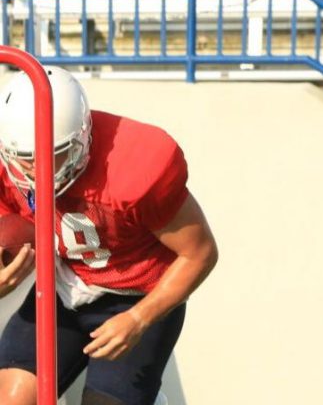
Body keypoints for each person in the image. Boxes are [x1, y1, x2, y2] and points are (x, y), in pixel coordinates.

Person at [0, 67, 218, 405]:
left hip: (137, 294)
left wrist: (139, 318)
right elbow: (10, 228)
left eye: (52, 153)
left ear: (83, 137)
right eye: (24, 159)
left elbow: (200, 253)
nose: (34, 170)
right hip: (63, 286)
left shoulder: (134, 165)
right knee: (11, 398)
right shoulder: (7, 169)